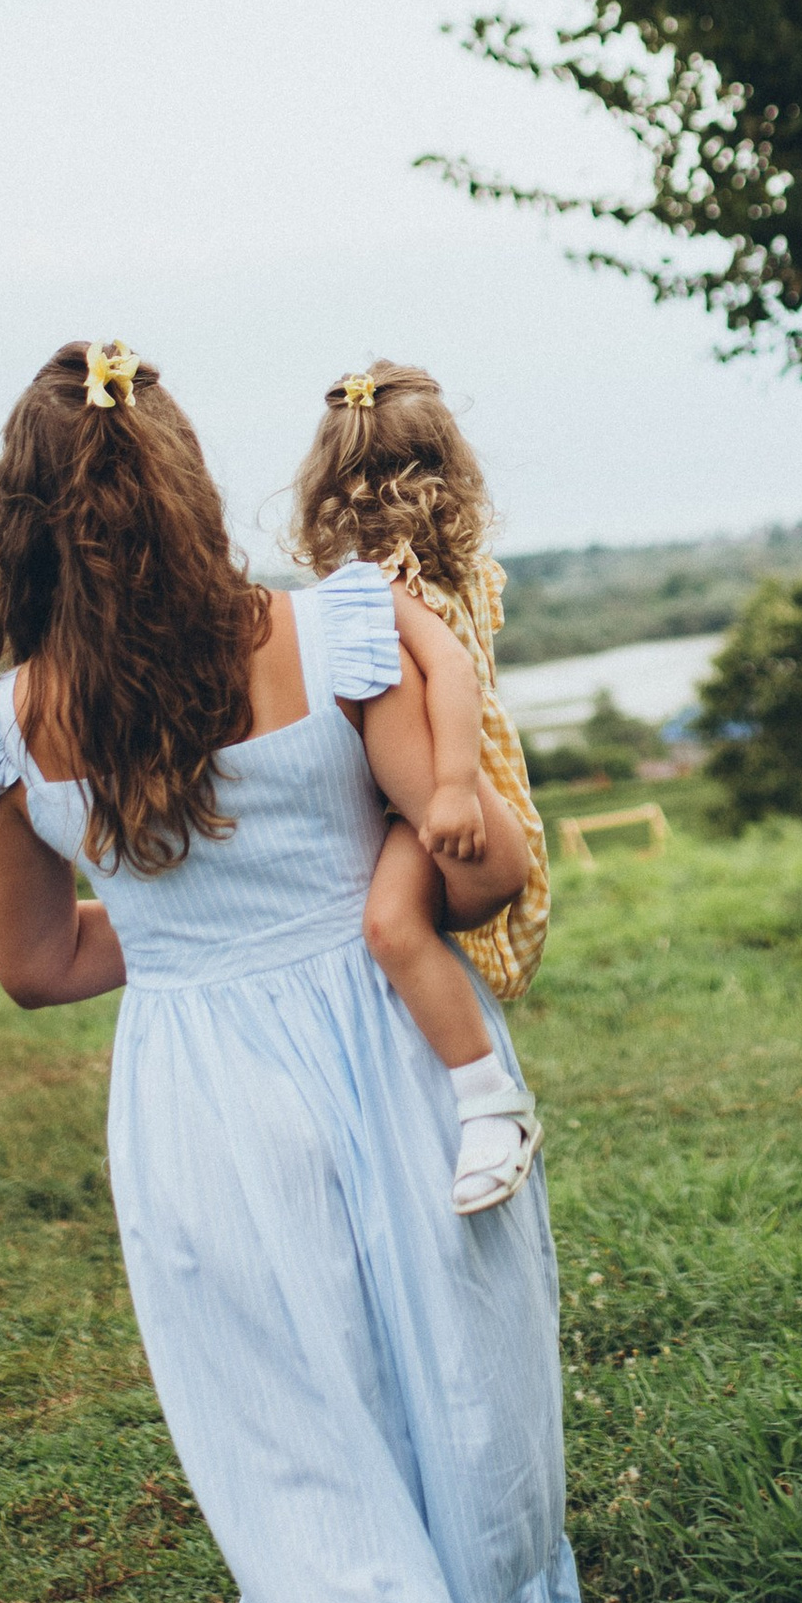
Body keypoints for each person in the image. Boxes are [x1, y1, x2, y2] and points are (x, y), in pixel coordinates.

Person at [0, 338, 579, 1603]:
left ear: (22, 524)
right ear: (192, 484)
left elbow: (36, 962)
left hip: (202, 1117)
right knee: (457, 1413)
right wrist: (367, 879)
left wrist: (188, 939)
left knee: (306, 1491)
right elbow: (478, 863)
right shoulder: (344, 631)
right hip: (400, 1071)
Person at [290, 362, 551, 1217]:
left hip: (443, 786)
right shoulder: (454, 570)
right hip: (458, 776)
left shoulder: (380, 582)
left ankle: (490, 1101)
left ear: (331, 487)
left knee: (390, 926)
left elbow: (450, 673)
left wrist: (448, 790)